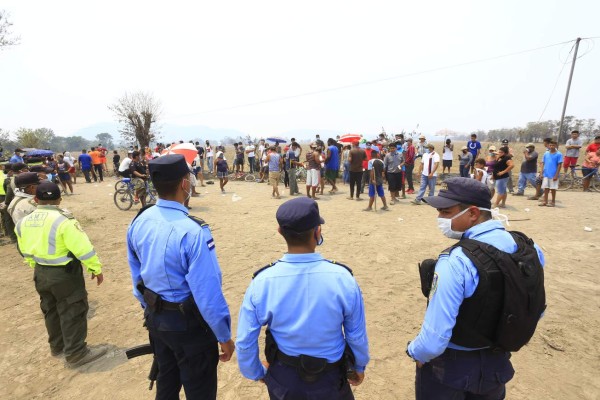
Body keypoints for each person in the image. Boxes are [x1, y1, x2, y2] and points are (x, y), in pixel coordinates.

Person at [407, 177, 545, 400]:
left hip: (452, 368)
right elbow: (536, 304)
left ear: (472, 213)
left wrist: (415, 352)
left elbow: (434, 338)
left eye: (446, 212)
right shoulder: (528, 248)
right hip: (497, 362)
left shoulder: (456, 261)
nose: (439, 218)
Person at [236, 197, 369, 399]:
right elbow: (356, 334)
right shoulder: (343, 279)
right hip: (331, 378)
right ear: (317, 232)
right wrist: (358, 366)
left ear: (280, 232)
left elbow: (245, 340)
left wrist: (256, 372)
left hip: (285, 378)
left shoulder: (262, 282)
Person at [127, 154, 234, 399]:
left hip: (156, 318)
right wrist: (224, 336)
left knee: (166, 382)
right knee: (200, 389)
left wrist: (151, 307)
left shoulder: (140, 220)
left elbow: (136, 276)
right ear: (185, 184)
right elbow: (207, 293)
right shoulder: (193, 231)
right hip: (189, 327)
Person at [15, 181, 107, 367]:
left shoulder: (23, 222)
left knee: (51, 309)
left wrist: (37, 264)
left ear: (35, 199)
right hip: (64, 275)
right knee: (73, 309)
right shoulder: (64, 221)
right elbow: (83, 249)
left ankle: (57, 346)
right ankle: (76, 353)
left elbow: (23, 249)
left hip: (40, 272)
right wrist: (95, 268)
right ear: (59, 199)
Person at [364, 147, 389, 211]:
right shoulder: (381, 161)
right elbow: (383, 172)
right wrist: (383, 179)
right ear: (377, 155)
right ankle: (385, 206)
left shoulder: (370, 161)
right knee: (381, 194)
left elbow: (371, 171)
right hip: (379, 180)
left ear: (371, 155)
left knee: (372, 194)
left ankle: (369, 207)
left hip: (374, 180)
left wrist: (372, 179)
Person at [539, 140, 563, 207]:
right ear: (548, 145)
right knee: (546, 188)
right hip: (546, 173)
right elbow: (543, 163)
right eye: (550, 145)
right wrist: (541, 173)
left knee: (553, 189)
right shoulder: (546, 153)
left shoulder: (559, 154)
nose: (551, 146)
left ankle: (553, 202)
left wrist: (556, 175)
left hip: (553, 174)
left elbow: (559, 165)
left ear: (556, 146)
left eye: (553, 145)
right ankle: (545, 201)